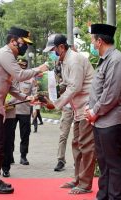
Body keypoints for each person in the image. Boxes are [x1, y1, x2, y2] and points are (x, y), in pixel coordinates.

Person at [0, 27, 48, 194]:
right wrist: (39, 69)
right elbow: (20, 75)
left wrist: (28, 99)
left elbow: (12, 88)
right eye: (23, 43)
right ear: (13, 41)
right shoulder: (5, 54)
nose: (25, 47)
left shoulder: (7, 56)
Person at [43, 34, 96, 194]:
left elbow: (75, 87)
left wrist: (56, 104)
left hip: (87, 107)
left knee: (86, 146)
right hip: (77, 108)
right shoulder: (64, 61)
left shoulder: (74, 60)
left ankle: (85, 184)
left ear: (61, 47)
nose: (52, 53)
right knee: (76, 144)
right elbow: (66, 83)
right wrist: (48, 91)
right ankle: (78, 179)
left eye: (53, 50)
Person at [84, 24, 121, 200]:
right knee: (104, 161)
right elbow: (98, 90)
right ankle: (103, 195)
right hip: (101, 119)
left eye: (92, 40)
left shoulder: (116, 60)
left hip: (112, 120)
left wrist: (94, 112)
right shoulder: (105, 59)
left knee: (114, 162)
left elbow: (111, 95)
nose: (91, 43)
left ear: (99, 41)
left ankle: (117, 197)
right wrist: (90, 108)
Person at [13, 58, 37, 165]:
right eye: (19, 65)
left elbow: (35, 95)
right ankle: (9, 156)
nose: (21, 67)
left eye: (23, 65)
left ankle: (23, 156)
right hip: (11, 110)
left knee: (25, 135)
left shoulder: (31, 79)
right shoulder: (11, 76)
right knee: (9, 135)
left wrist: (36, 109)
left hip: (25, 110)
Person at [54, 104, 74, 171]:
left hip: (80, 108)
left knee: (79, 138)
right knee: (63, 136)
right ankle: (61, 161)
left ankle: (78, 161)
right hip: (67, 109)